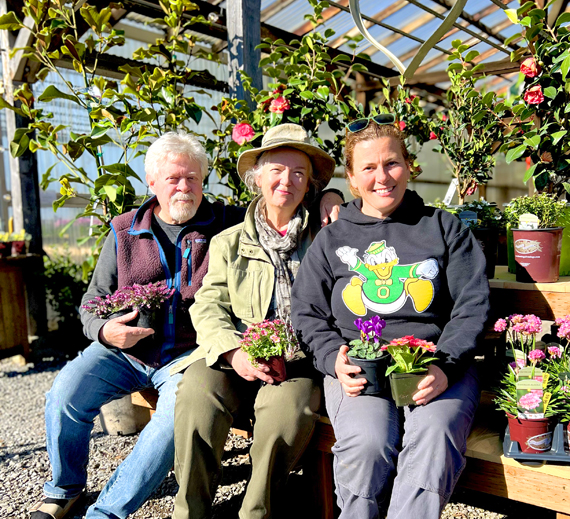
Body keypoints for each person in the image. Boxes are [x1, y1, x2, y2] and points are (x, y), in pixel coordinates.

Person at [31, 130, 342, 519]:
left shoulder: (223, 222)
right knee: (65, 393)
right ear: (151, 182)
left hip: (187, 354)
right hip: (127, 351)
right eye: (173, 178)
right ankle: (64, 489)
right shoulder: (124, 230)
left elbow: (284, 196)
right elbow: (93, 300)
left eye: (192, 178)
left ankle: (106, 512)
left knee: (173, 420)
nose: (184, 187)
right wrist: (105, 331)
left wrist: (331, 195)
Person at [291, 118, 490, 519]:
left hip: (436, 365)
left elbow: (472, 305)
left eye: (391, 163)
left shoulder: (443, 228)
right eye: (368, 167)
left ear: (408, 166)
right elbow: (307, 312)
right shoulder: (332, 239)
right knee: (366, 443)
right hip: (360, 369)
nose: (382, 177)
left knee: (434, 435)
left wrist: (446, 365)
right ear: (351, 179)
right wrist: (333, 359)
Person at [172, 124, 338, 519]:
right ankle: (189, 511)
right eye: (276, 170)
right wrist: (234, 351)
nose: (287, 181)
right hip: (237, 354)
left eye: (298, 173)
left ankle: (256, 512)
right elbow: (208, 304)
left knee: (286, 415)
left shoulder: (327, 237)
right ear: (257, 178)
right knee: (196, 394)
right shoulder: (228, 242)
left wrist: (336, 196)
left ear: (310, 185)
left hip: (298, 363)